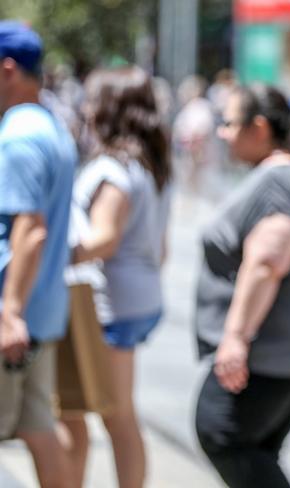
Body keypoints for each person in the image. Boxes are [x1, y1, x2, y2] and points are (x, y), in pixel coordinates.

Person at [194, 84, 290, 488]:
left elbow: (266, 263)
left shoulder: (278, 182)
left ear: (258, 128)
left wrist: (235, 338)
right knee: (258, 448)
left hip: (271, 350)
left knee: (220, 432)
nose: (222, 133)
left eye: (229, 123)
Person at [60, 66, 172, 488]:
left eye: (92, 100)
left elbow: (104, 238)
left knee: (105, 415)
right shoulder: (152, 164)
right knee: (119, 414)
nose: (86, 109)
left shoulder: (113, 167)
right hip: (140, 297)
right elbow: (161, 248)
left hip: (109, 304)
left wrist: (53, 256)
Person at [0, 21, 77, 488]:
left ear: (8, 70)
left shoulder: (18, 137)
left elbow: (30, 231)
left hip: (13, 315)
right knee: (37, 428)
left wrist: (9, 313)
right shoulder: (48, 125)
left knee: (36, 428)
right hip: (41, 311)